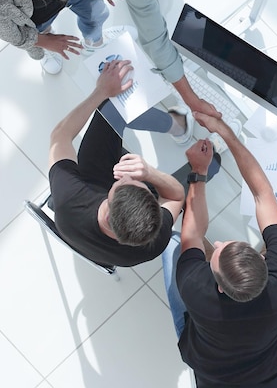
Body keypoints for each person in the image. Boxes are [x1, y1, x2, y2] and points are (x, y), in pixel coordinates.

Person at [162, 111, 277, 388]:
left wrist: (198, 172)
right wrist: (227, 133)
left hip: (205, 362)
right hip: (266, 363)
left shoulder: (196, 289)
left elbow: (192, 233)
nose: (219, 243)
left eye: (217, 251)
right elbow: (263, 193)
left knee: (174, 244)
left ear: (221, 289)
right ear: (263, 259)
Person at [48, 58, 191, 268]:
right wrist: (149, 173)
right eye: (133, 180)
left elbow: (59, 137)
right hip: (91, 207)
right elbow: (176, 196)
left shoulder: (70, 197)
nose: (124, 175)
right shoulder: (154, 239)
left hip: (89, 184)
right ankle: (178, 126)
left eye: (122, 182)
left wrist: (101, 92)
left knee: (112, 106)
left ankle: (173, 124)